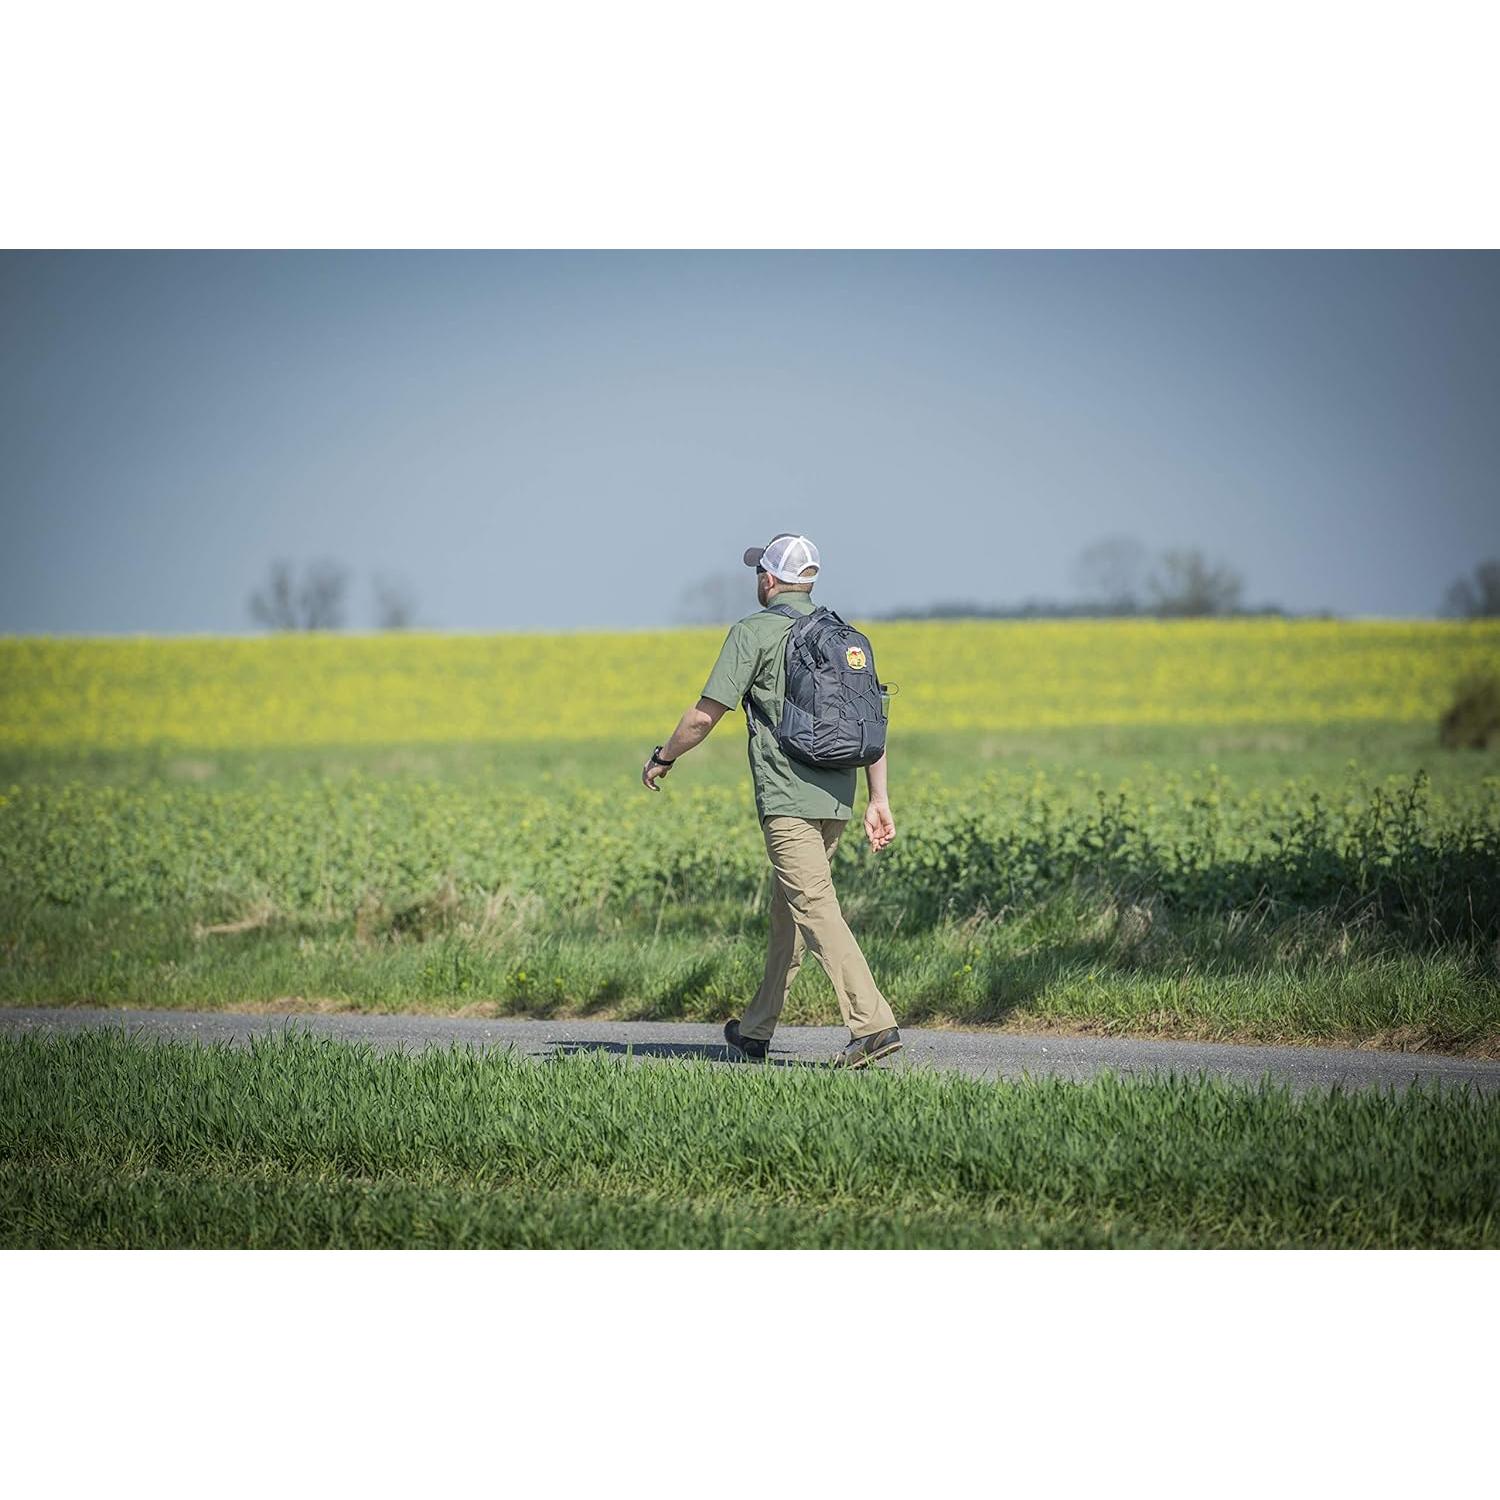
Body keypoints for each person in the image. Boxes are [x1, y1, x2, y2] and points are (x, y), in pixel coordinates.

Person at [640, 533, 902, 1069]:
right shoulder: (843, 636)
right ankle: (756, 1030)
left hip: (786, 800)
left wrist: (663, 757)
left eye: (759, 571)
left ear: (769, 579)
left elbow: (702, 716)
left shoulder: (753, 632)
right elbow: (871, 720)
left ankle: (873, 1025)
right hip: (836, 798)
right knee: (789, 913)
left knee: (814, 907)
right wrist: (879, 797)